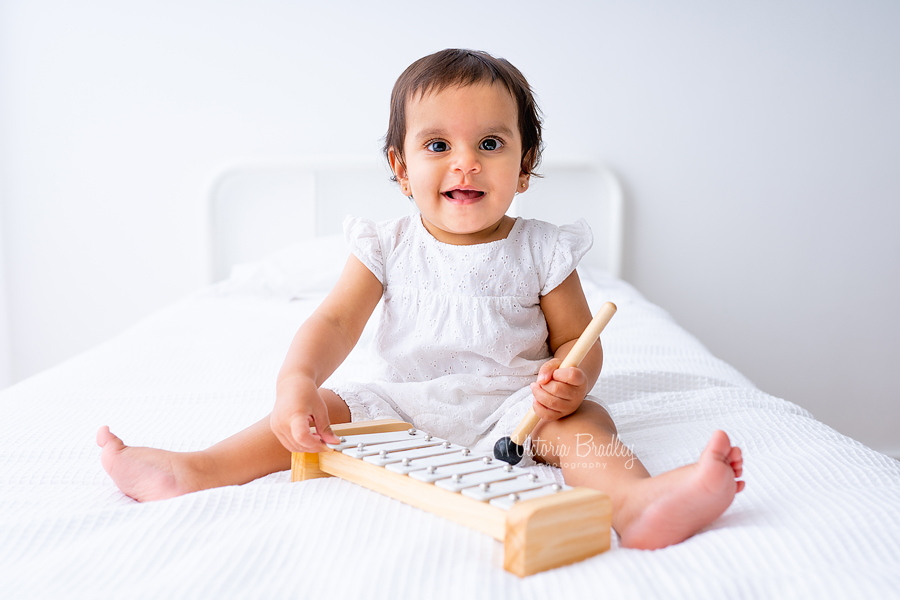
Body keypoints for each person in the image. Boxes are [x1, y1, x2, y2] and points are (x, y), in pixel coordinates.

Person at [97, 48, 744, 550]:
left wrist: (571, 380)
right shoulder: (388, 245)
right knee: (314, 412)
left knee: (586, 426)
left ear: (525, 166)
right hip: (401, 403)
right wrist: (296, 380)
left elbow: (580, 338)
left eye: (490, 144)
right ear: (402, 168)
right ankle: (196, 470)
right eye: (438, 146)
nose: (465, 163)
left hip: (518, 406)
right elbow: (335, 319)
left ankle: (635, 503)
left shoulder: (544, 249)